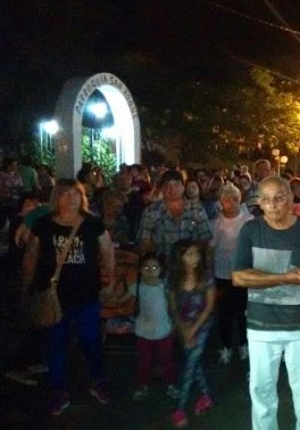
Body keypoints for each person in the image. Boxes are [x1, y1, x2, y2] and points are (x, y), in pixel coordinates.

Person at [232, 177, 300, 430]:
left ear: (291, 197)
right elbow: (238, 277)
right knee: (261, 394)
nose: (273, 205)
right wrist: (285, 278)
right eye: (266, 199)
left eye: (279, 197)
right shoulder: (250, 230)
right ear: (259, 202)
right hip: (261, 326)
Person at [22, 179, 116, 416]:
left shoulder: (92, 224)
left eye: (76, 193)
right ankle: (59, 390)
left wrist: (110, 280)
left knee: (91, 340)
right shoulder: (44, 225)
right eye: (65, 194)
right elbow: (32, 255)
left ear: (82, 197)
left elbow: (107, 250)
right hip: (54, 296)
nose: (70, 198)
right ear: (57, 197)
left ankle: (98, 380)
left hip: (86, 294)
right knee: (56, 344)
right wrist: (27, 285)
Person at [168, 239, 216, 428]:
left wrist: (192, 331)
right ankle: (207, 396)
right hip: (183, 324)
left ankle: (179, 408)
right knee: (194, 363)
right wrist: (182, 329)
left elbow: (209, 306)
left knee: (190, 364)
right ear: (179, 258)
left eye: (196, 253)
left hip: (202, 324)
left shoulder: (206, 275)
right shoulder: (173, 277)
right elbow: (173, 307)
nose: (194, 258)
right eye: (189, 254)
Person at [210, 184, 253, 365]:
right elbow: (212, 246)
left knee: (244, 311)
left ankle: (244, 343)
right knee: (225, 313)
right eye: (225, 199)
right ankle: (226, 346)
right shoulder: (216, 222)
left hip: (242, 272)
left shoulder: (248, 220)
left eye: (233, 199)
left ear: (238, 200)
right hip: (222, 272)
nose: (229, 203)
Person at [131, 253, 179, 401]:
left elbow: (173, 306)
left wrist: (175, 325)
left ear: (161, 269)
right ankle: (143, 384)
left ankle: (171, 384)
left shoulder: (165, 286)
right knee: (144, 360)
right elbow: (121, 298)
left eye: (154, 267)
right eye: (146, 267)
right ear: (140, 270)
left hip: (163, 330)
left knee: (167, 360)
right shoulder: (137, 286)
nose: (150, 270)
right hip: (143, 331)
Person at [138, 170, 212, 258]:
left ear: (183, 187)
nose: (172, 189)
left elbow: (206, 238)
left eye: (176, 185)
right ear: (162, 188)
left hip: (189, 267)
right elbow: (143, 241)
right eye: (167, 185)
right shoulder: (151, 211)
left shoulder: (197, 210)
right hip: (162, 266)